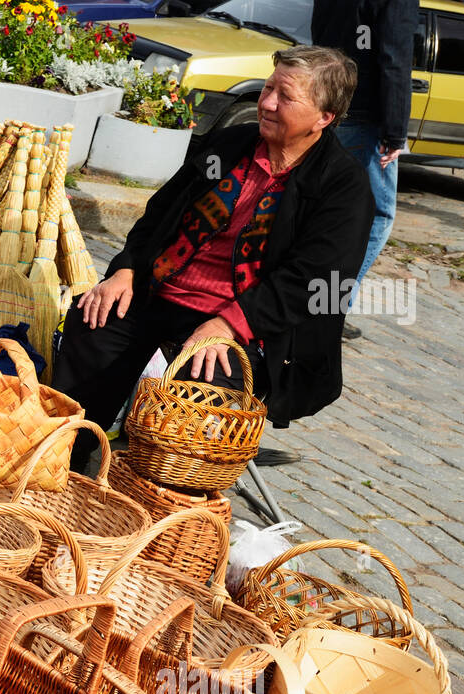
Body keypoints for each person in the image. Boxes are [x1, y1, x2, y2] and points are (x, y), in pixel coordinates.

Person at [52, 45, 373, 473]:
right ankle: (62, 461)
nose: (268, 102)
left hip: (247, 326)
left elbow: (314, 280)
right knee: (94, 324)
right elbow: (161, 213)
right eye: (268, 88)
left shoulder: (342, 187)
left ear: (324, 117)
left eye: (286, 96)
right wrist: (126, 269)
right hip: (159, 292)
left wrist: (227, 324)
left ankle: (161, 496)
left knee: (203, 389)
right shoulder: (231, 145)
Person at [313, 0, 420, 339]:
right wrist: (395, 133)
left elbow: (321, 40)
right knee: (374, 217)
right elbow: (395, 57)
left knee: (321, 209)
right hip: (365, 118)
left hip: (330, 106)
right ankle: (328, 310)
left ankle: (311, 303)